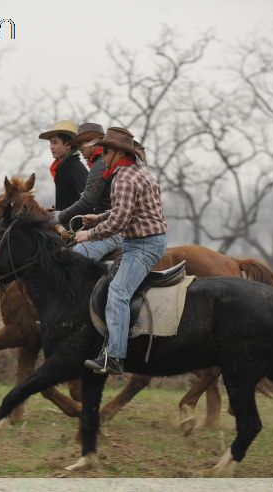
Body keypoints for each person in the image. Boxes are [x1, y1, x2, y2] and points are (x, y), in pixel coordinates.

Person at [74, 127, 168, 375]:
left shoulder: (123, 179)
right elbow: (125, 211)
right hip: (148, 241)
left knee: (118, 292)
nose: (102, 156)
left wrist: (88, 234)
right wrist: (99, 217)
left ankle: (114, 357)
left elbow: (119, 223)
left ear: (117, 153)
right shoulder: (138, 173)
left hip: (142, 246)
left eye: (105, 151)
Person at [49, 122, 124, 260]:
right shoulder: (99, 163)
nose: (78, 148)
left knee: (71, 263)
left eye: (81, 144)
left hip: (109, 230)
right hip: (105, 225)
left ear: (93, 142)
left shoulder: (99, 164)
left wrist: (59, 217)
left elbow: (88, 201)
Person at [38, 120, 88, 212]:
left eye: (55, 143)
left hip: (73, 224)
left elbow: (85, 201)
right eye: (51, 143)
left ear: (68, 144)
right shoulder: (62, 167)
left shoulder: (75, 167)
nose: (51, 147)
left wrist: (63, 215)